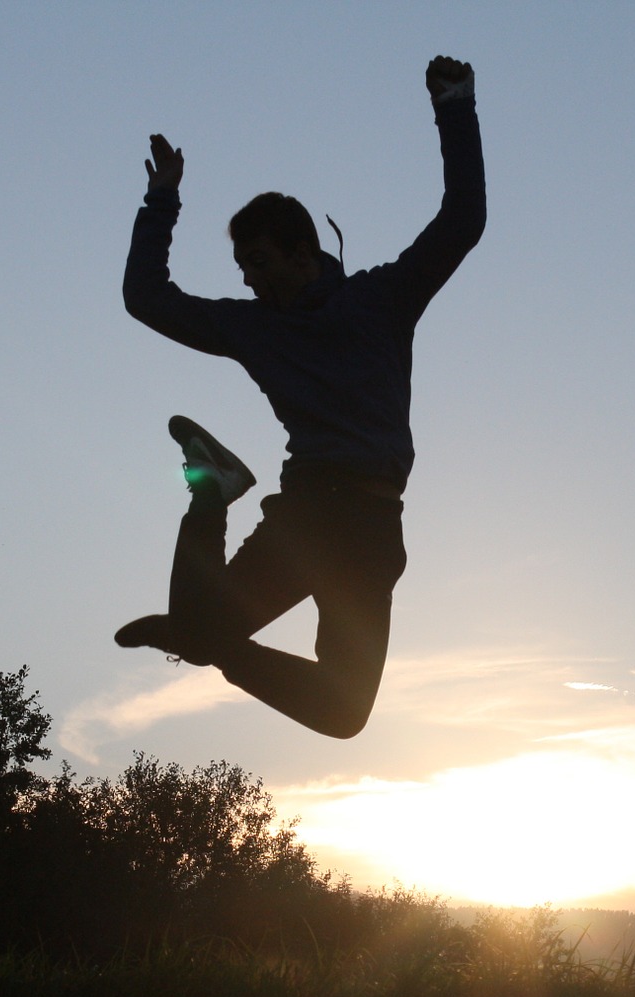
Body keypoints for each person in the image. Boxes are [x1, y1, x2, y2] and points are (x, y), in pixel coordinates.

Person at [116, 55, 485, 739]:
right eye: (242, 269)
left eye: (257, 264)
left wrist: (454, 105)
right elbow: (146, 298)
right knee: (199, 637)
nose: (249, 282)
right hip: (312, 513)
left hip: (373, 528)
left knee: (342, 713)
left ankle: (208, 619)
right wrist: (161, 200)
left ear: (300, 254)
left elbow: (462, 220)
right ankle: (212, 495)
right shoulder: (253, 326)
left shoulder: (382, 298)